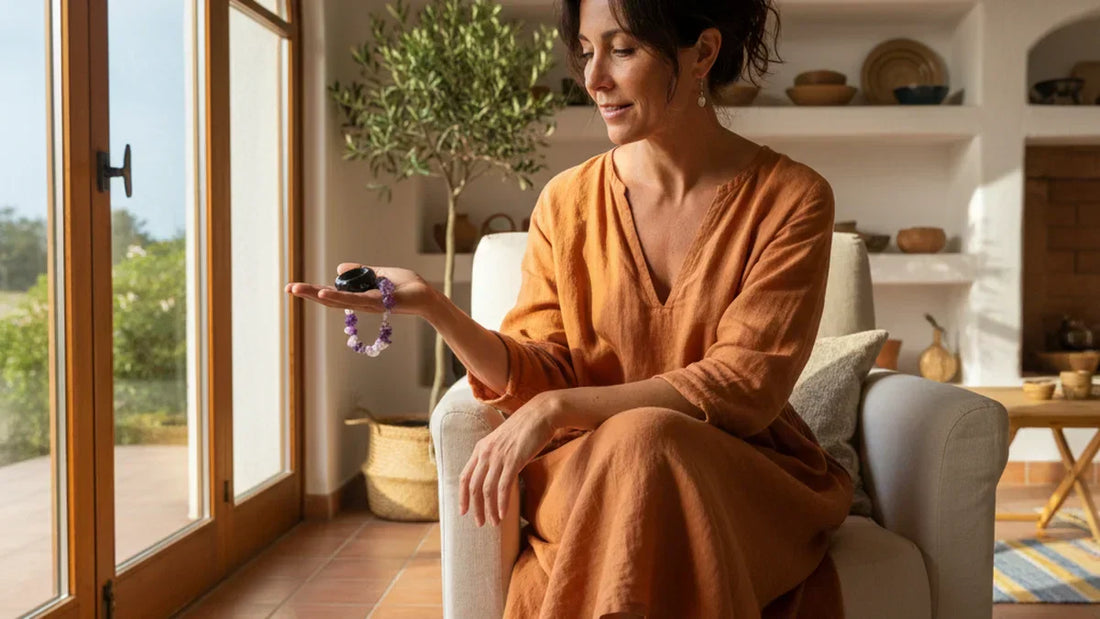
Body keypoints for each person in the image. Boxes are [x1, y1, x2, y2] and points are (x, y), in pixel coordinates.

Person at [287, 0, 853, 615]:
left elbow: (744, 384)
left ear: (704, 53)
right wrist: (434, 308)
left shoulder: (793, 199)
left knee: (647, 439)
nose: (594, 78)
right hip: (588, 475)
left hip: (734, 479)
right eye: (586, 52)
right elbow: (541, 369)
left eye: (622, 50)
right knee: (639, 447)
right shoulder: (566, 203)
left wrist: (559, 409)